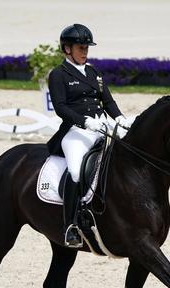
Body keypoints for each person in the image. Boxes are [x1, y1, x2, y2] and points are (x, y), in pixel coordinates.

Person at [47, 23, 131, 248]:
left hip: (102, 125)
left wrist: (120, 119)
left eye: (86, 47)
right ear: (67, 49)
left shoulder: (94, 72)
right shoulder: (58, 75)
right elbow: (61, 108)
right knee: (75, 170)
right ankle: (70, 225)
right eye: (80, 47)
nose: (84, 51)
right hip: (76, 130)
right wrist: (84, 121)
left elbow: (108, 101)